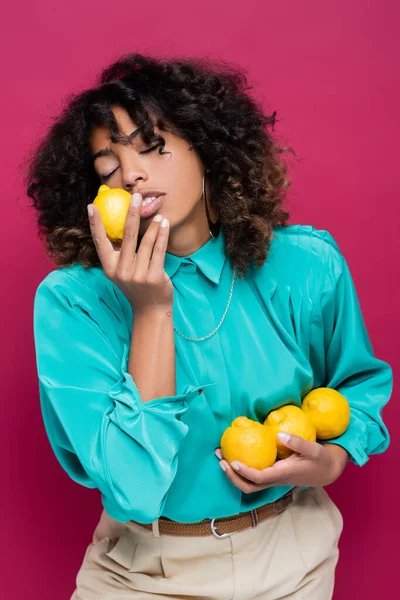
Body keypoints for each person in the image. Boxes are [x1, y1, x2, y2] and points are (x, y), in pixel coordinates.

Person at [26, 53, 392, 599]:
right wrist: (151, 310)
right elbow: (134, 488)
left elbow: (357, 390)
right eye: (109, 168)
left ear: (208, 148)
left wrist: (330, 463)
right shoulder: (73, 303)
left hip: (292, 556)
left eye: (152, 148)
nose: (131, 174)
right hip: (142, 574)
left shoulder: (306, 265)